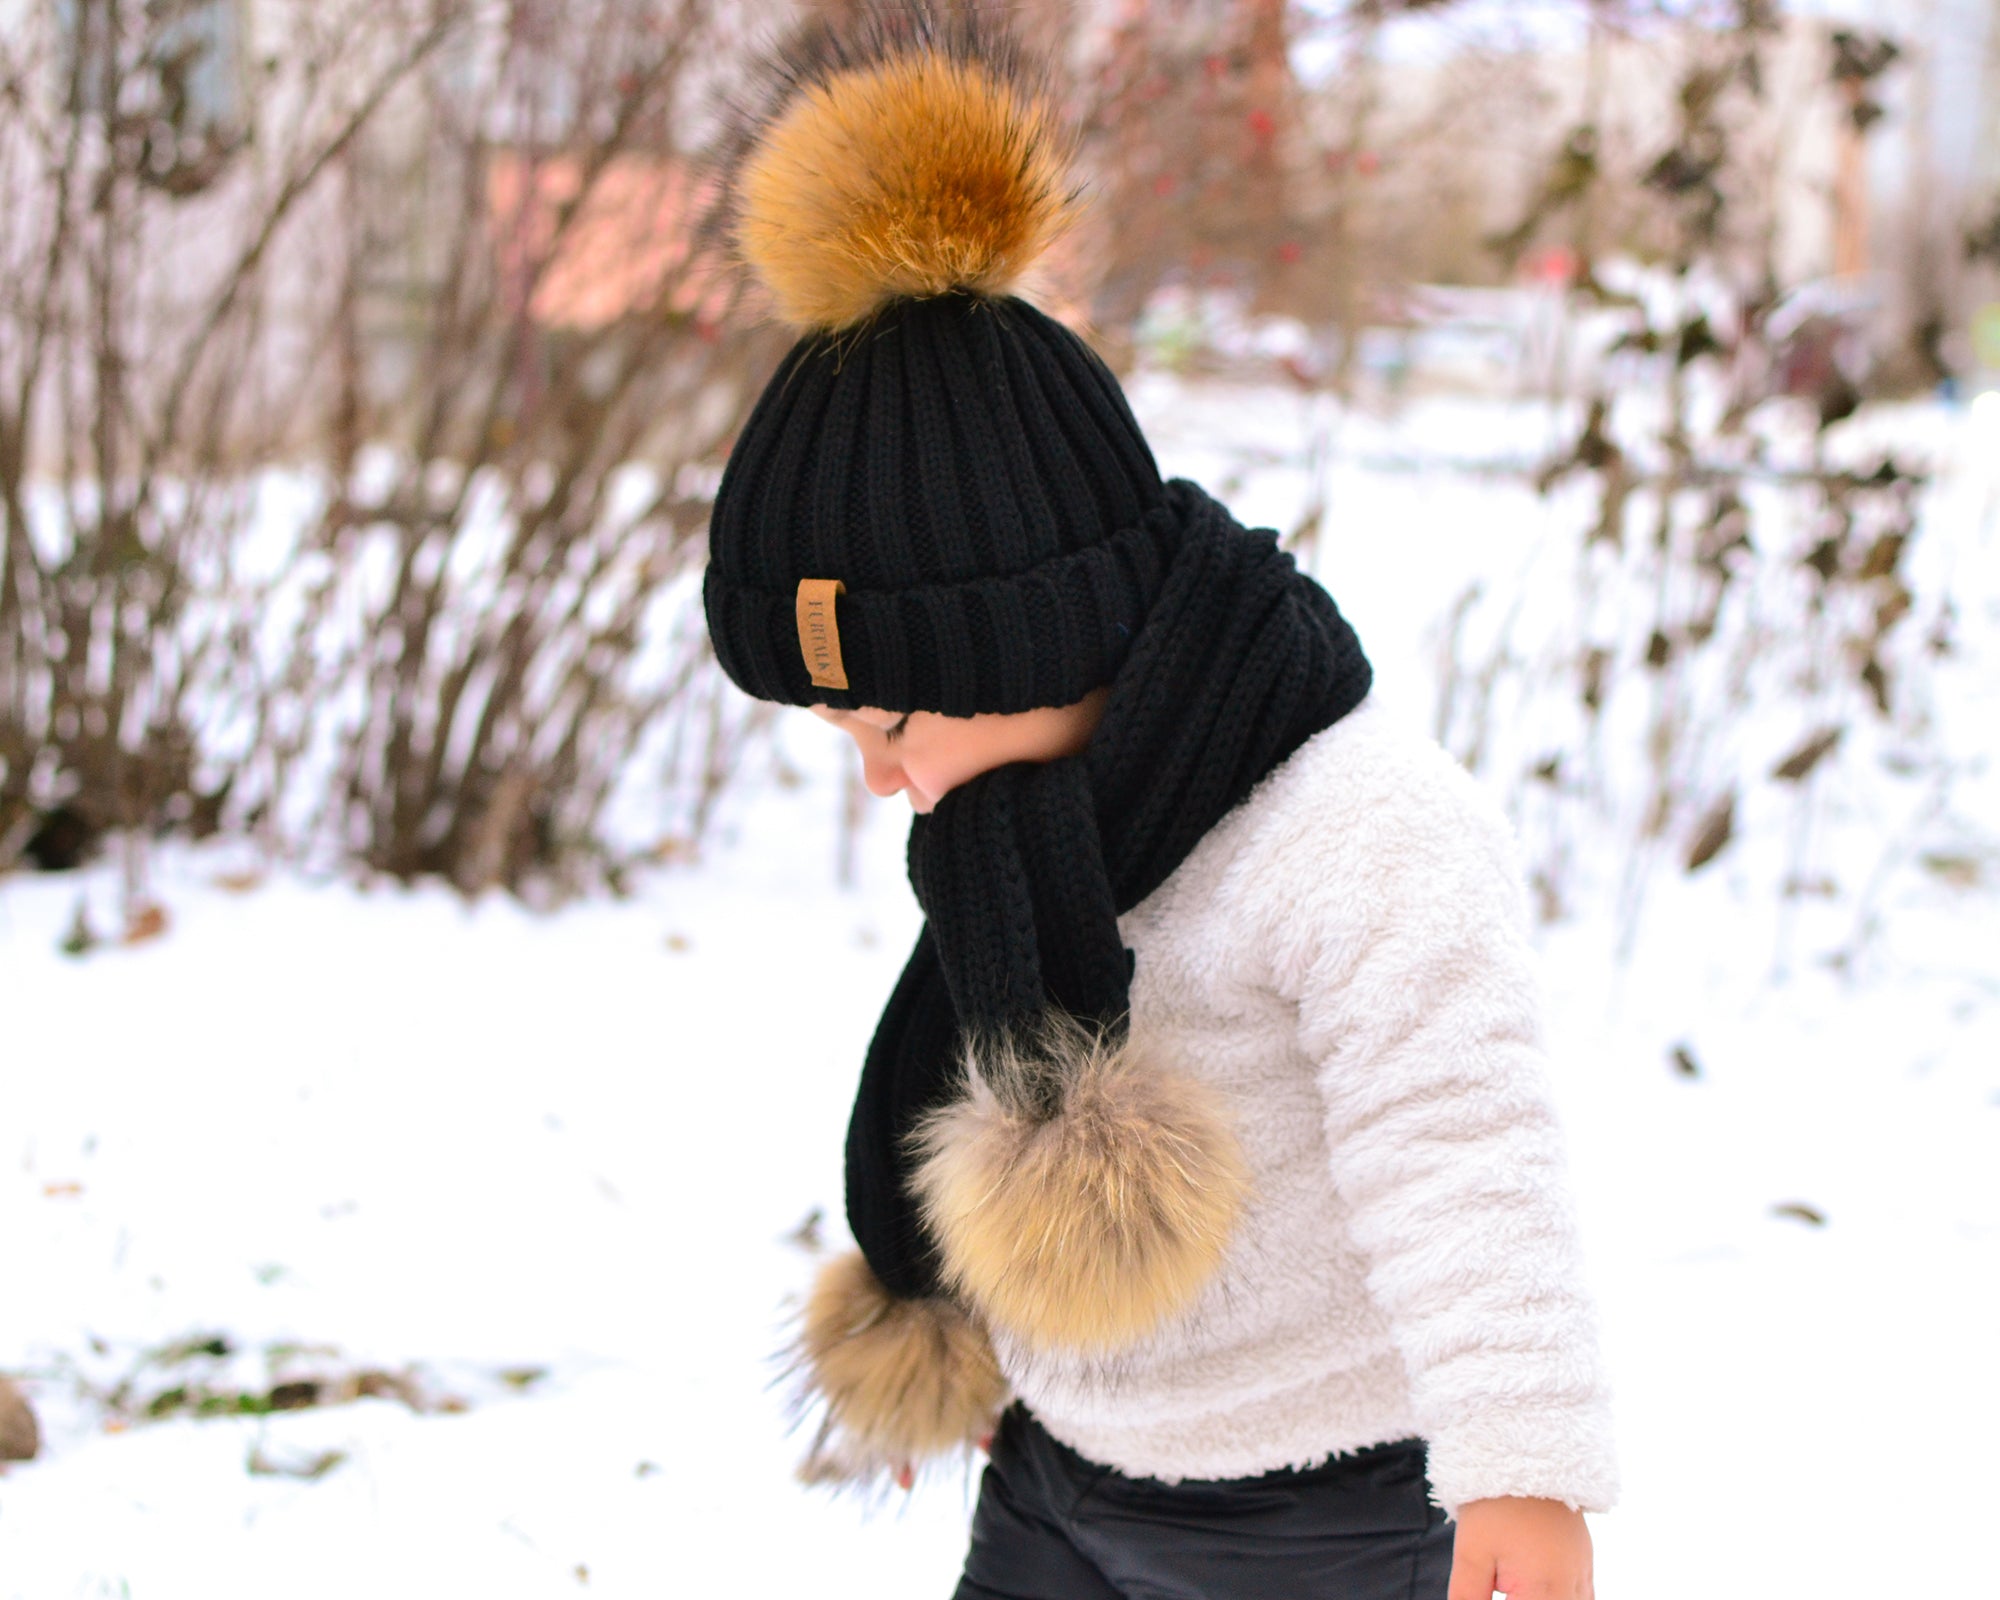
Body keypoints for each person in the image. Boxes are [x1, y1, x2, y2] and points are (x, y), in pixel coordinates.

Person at [701, 13, 1616, 1599]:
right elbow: (980, 1082)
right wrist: (965, 1322)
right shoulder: (1029, 827)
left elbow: (1466, 1155)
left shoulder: (1351, 832)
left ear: (1039, 636)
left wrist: (1523, 1473)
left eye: (893, 717)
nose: (879, 774)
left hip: (1319, 1514)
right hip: (1061, 1480)